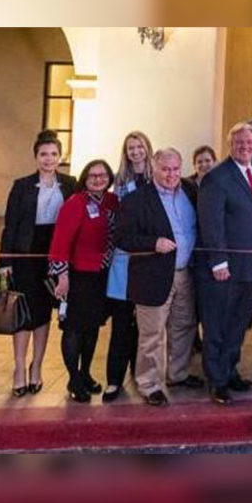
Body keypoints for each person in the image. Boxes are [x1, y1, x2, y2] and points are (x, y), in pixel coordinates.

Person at [114, 148, 202, 407]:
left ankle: (177, 374)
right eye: (165, 169)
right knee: (152, 334)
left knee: (183, 326)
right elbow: (122, 238)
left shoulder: (190, 190)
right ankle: (149, 383)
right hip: (153, 275)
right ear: (154, 169)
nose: (171, 174)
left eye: (176, 169)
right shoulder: (136, 200)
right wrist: (153, 242)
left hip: (185, 272)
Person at [0, 130, 77, 397]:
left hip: (54, 256)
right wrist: (5, 260)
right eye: (44, 154)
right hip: (25, 255)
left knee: (43, 313)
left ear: (60, 156)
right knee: (23, 313)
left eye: (54, 154)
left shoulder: (69, 183)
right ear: (36, 157)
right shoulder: (21, 186)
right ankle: (19, 368)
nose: (49, 159)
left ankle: (37, 367)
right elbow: (10, 225)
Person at [197, 123, 252, 406]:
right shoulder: (217, 177)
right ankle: (216, 381)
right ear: (230, 145)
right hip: (224, 269)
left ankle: (230, 371)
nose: (245, 146)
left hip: (250, 267)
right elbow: (211, 224)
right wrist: (218, 262)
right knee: (217, 325)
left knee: (239, 324)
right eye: (239, 143)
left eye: (249, 142)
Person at [48, 159, 119, 403]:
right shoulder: (75, 203)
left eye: (102, 175)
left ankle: (86, 372)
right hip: (78, 276)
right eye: (92, 176)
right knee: (74, 329)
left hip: (101, 275)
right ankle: (74, 378)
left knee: (92, 328)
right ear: (84, 179)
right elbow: (60, 242)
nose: (98, 179)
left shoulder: (111, 202)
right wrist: (62, 275)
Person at [103, 131, 153, 402]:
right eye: (131, 148)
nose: (135, 152)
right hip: (124, 257)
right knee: (122, 322)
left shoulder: (156, 178)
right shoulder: (120, 181)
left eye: (139, 146)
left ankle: (141, 372)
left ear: (147, 148)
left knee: (146, 324)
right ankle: (113, 379)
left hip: (150, 257)